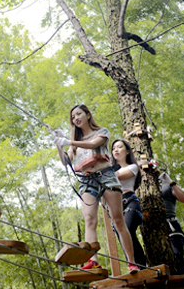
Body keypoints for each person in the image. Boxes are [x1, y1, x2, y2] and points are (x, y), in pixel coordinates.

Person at [54, 104, 140, 273]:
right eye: (73, 117)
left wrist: (69, 141)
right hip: (87, 180)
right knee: (89, 219)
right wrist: (59, 144)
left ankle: (131, 263)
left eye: (79, 114)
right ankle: (93, 261)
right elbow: (66, 161)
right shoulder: (74, 145)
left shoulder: (102, 132)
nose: (76, 118)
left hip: (106, 175)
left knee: (118, 220)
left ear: (87, 115)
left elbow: (94, 144)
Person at [110, 139, 147, 269]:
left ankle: (141, 266)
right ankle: (134, 265)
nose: (116, 150)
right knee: (122, 235)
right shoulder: (110, 170)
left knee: (128, 229)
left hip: (130, 201)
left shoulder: (133, 167)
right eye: (113, 148)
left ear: (127, 152)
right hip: (116, 205)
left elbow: (116, 176)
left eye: (119, 147)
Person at [159, 172, 184, 275]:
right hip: (155, 228)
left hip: (171, 224)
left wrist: (170, 182)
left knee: (178, 262)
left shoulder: (167, 187)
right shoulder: (139, 186)